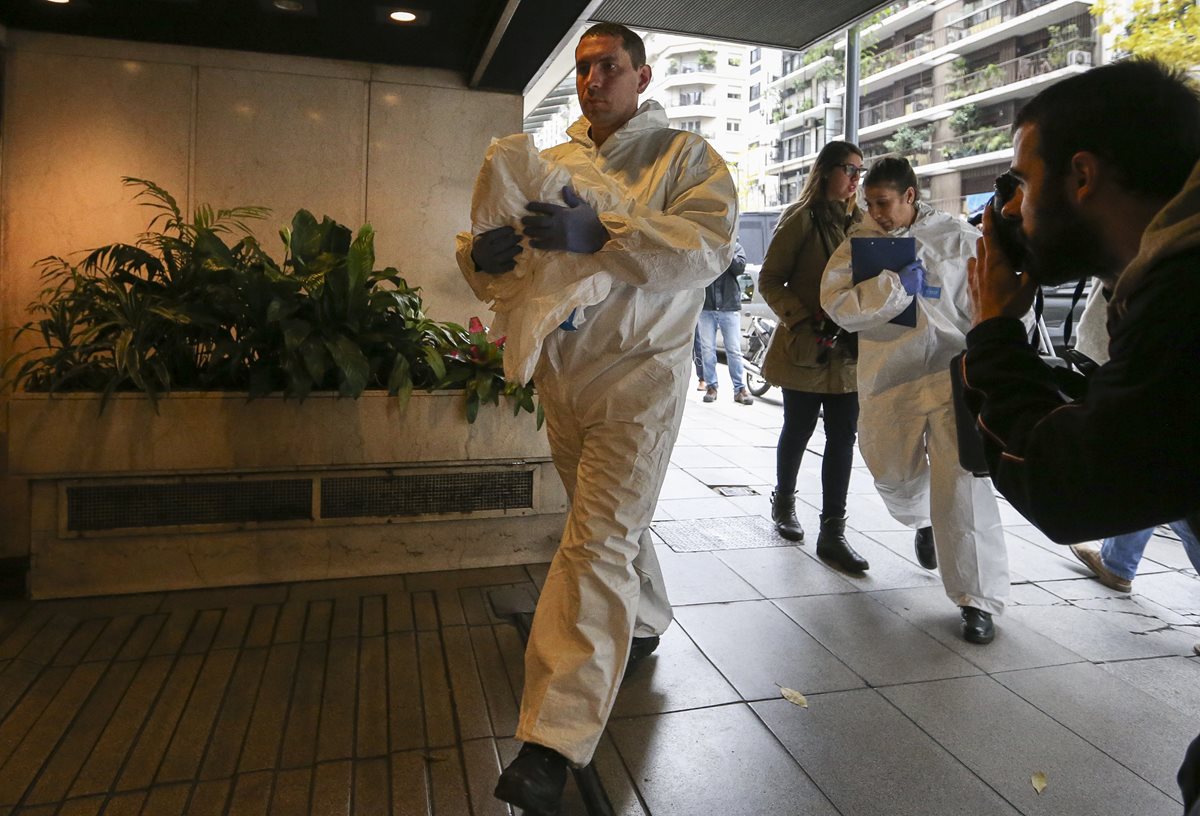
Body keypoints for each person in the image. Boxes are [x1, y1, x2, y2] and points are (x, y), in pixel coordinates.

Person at [460, 22, 737, 816]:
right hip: (565, 377)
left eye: (608, 66)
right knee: (603, 521)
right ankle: (647, 616)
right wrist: (480, 260)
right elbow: (517, 264)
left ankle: (551, 742)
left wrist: (605, 234)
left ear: (641, 76)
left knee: (596, 540)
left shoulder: (685, 159)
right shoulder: (555, 161)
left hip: (639, 380)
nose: (592, 80)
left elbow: (705, 249)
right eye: (583, 67)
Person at [959, 59, 1200, 815]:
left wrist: (995, 328)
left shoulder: (1185, 291)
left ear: (1083, 176)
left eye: (1024, 186)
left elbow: (1073, 485)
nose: (1015, 213)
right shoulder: (1171, 272)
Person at [820, 157, 1010, 644]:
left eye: (884, 203)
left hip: (952, 380)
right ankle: (924, 520)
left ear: (910, 196)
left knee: (964, 487)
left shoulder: (958, 239)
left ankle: (977, 600)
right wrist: (890, 288)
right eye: (869, 203)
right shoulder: (858, 246)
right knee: (892, 469)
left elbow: (991, 302)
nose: (875, 212)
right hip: (891, 379)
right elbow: (838, 304)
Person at [759, 140, 868, 572]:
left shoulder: (864, 224)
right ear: (825, 171)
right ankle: (783, 503)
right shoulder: (800, 219)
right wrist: (802, 319)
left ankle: (833, 532)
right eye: (848, 168)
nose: (856, 178)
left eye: (860, 170)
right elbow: (770, 280)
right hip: (805, 347)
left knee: (843, 439)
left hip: (849, 352)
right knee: (799, 428)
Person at [1065, 283, 1200, 591]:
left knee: (1175, 488)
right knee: (1146, 464)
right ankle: (1117, 562)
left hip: (1146, 353)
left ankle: (1118, 562)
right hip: (1149, 351)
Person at [697, 240, 752, 404]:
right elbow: (699, 269)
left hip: (729, 306)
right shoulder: (705, 245)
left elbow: (739, 268)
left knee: (734, 350)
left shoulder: (736, 247)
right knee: (707, 349)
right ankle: (711, 387)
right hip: (706, 306)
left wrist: (725, 252)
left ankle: (740, 389)